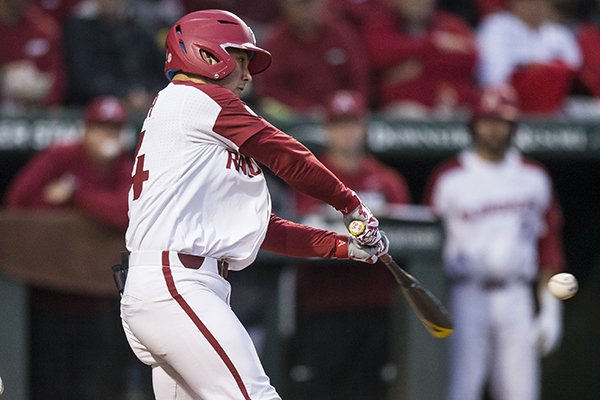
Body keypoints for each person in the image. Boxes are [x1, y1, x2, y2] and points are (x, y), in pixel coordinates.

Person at [121, 9, 388, 400]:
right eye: (241, 60)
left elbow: (261, 228)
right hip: (176, 283)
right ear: (208, 55)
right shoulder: (194, 98)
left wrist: (344, 246)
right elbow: (288, 156)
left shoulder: (200, 131)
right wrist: (350, 205)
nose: (248, 76)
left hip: (176, 285)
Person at [424, 86, 566, 400]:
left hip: (517, 294)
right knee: (461, 389)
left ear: (513, 125)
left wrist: (551, 308)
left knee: (522, 392)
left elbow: (548, 244)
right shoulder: (449, 177)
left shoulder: (534, 176)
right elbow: (427, 245)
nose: (494, 128)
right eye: (487, 120)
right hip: (465, 293)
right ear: (473, 124)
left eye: (501, 121)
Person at [5, 96, 136, 399]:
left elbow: (124, 212)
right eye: (101, 128)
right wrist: (81, 212)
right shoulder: (60, 156)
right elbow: (19, 203)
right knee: (50, 382)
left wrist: (76, 194)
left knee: (96, 384)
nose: (107, 137)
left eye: (114, 130)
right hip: (47, 294)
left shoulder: (125, 165)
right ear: (86, 130)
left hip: (99, 299)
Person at [289, 90, 411, 400]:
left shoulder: (387, 180)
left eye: (352, 123)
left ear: (365, 126)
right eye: (339, 124)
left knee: (369, 389)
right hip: (322, 303)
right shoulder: (309, 176)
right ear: (327, 129)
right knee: (320, 389)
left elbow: (409, 239)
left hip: (374, 302)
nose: (346, 133)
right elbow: (301, 229)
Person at [253, 0, 371, 120]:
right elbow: (270, 90)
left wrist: (343, 106)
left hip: (340, 117)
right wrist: (305, 110)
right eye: (299, 4)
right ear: (285, 6)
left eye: (311, 2)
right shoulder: (275, 42)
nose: (305, 9)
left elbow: (359, 78)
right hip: (294, 121)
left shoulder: (341, 33)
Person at [361, 0, 478, 117]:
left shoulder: (452, 25)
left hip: (453, 107)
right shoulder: (380, 25)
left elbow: (470, 58)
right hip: (402, 112)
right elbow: (379, 55)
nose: (418, 2)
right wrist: (434, 44)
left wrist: (419, 65)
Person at [476, 0, 582, 116]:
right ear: (514, 3)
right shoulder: (495, 26)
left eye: (541, 3)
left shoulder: (560, 33)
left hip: (553, 109)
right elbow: (493, 78)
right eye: (529, 2)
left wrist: (539, 70)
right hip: (506, 109)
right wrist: (536, 69)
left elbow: (574, 71)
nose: (535, 7)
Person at [63, 0, 165, 114]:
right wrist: (125, 94)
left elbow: (163, 71)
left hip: (144, 106)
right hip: (94, 110)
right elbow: (83, 79)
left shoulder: (138, 29)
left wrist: (150, 95)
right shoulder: (79, 28)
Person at [0, 0, 67, 111]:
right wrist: (5, 74)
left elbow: (57, 77)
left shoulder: (44, 28)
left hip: (35, 111)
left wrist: (46, 100)